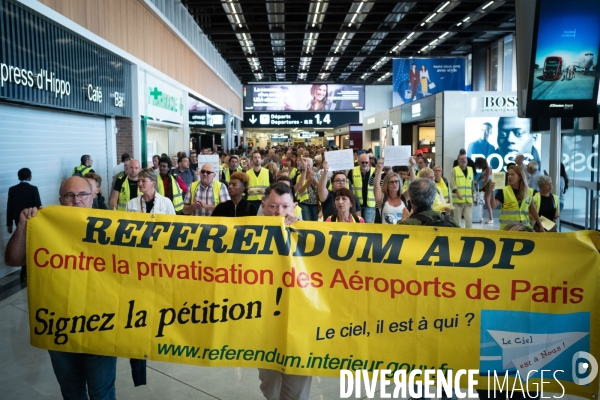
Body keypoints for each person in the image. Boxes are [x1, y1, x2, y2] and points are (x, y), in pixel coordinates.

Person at [5, 176, 118, 398]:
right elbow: (13, 259)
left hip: (100, 326)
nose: (76, 200)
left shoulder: (112, 225)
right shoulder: (44, 224)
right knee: (71, 390)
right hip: (58, 325)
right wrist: (23, 226)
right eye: (70, 195)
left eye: (82, 194)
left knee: (101, 392)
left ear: (93, 195)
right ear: (61, 199)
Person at [257, 183, 311, 399]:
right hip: (266, 325)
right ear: (263, 206)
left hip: (301, 325)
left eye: (285, 206)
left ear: (295, 206)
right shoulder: (251, 236)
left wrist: (301, 231)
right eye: (273, 206)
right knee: (270, 387)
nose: (279, 212)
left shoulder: (310, 234)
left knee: (296, 391)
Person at [6, 168, 42, 282]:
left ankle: (24, 272)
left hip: (18, 221)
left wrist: (9, 224)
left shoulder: (12, 190)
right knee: (30, 245)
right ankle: (26, 271)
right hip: (32, 221)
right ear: (29, 177)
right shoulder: (33, 189)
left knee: (22, 244)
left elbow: (9, 207)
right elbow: (38, 206)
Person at [491, 164, 544, 231]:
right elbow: (493, 206)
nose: (509, 177)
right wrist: (492, 191)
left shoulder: (529, 191)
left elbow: (533, 210)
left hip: (524, 229)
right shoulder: (504, 191)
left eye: (512, 174)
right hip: (508, 229)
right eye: (509, 174)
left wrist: (540, 226)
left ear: (519, 177)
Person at [374, 159, 405, 224]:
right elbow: (376, 186)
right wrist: (380, 168)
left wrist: (411, 167)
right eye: (391, 182)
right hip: (386, 233)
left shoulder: (403, 198)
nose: (394, 184)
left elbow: (414, 186)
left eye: (396, 181)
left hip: (403, 232)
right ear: (386, 184)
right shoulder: (382, 198)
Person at [348, 153, 376, 223]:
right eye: (362, 162)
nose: (365, 164)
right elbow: (349, 186)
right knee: (357, 224)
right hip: (356, 204)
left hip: (370, 205)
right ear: (358, 162)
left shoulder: (375, 171)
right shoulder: (352, 171)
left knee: (368, 226)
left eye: (366, 162)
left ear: (369, 162)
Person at [450, 154, 474, 228]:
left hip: (468, 201)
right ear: (458, 161)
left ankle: (468, 235)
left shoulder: (470, 169)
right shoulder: (454, 170)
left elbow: (472, 184)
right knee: (457, 220)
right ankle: (456, 235)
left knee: (469, 219)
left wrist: (473, 196)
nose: (463, 160)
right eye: (461, 159)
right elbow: (452, 183)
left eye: (465, 159)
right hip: (458, 201)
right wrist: (457, 193)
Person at [474, 157, 493, 224]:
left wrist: (482, 187)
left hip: (488, 185)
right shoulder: (483, 169)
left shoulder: (488, 168)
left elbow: (487, 179)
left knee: (487, 202)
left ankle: (491, 218)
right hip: (484, 184)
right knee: (481, 202)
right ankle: (480, 217)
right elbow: (481, 177)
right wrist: (476, 181)